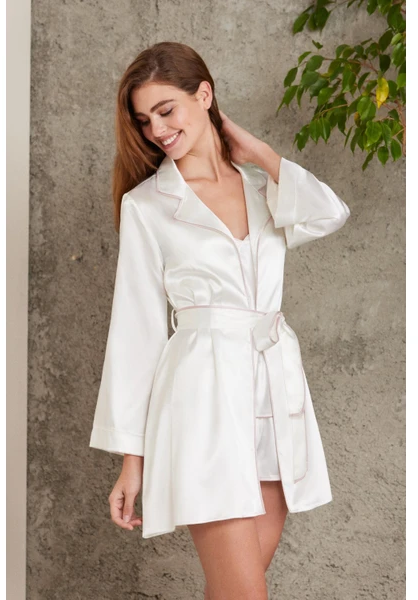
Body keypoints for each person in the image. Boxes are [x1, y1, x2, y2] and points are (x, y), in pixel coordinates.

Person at [89, 41, 350, 600]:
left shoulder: (262, 188)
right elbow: (135, 334)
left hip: (274, 400)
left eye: (166, 110)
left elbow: (331, 213)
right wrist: (132, 461)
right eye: (145, 120)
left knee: (233, 592)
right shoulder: (147, 206)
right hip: (202, 405)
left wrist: (261, 154)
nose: (157, 130)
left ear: (203, 95)